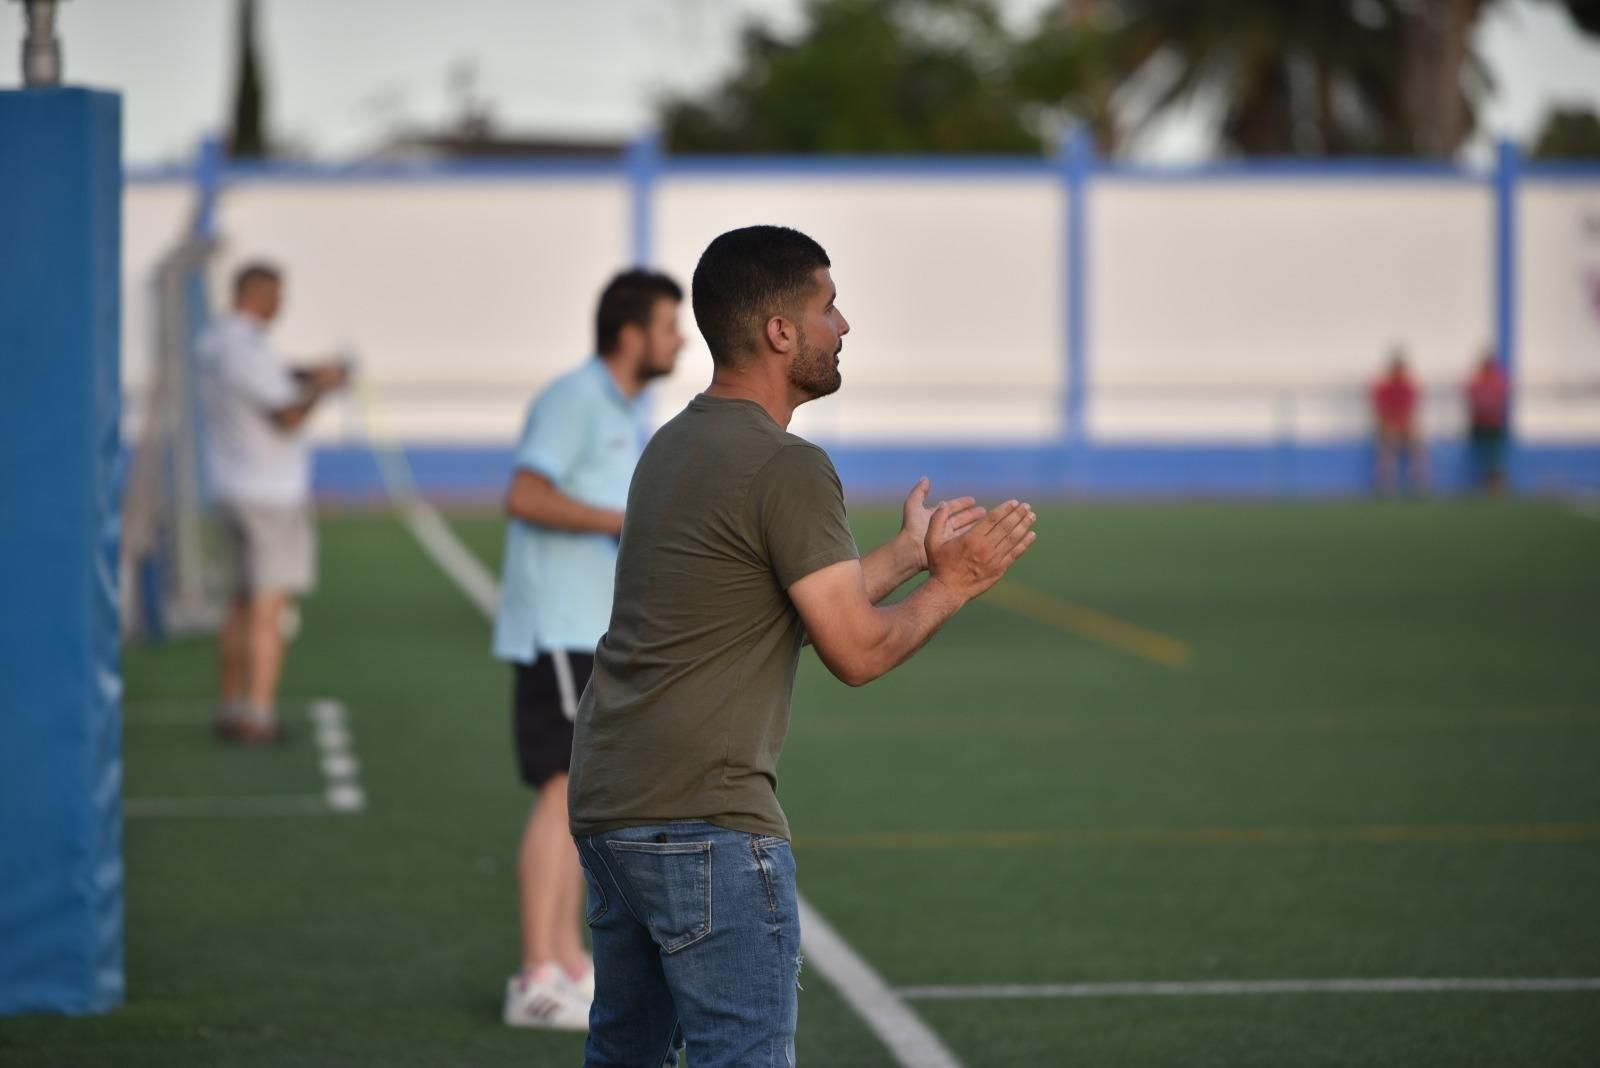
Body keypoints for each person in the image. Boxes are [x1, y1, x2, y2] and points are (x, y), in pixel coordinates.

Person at [567, 225, 1038, 1065]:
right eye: (828, 306)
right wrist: (956, 584)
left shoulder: (675, 443)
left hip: (613, 805)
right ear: (781, 332)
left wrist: (907, 555)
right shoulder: (787, 464)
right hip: (702, 819)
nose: (844, 325)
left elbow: (777, 597)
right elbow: (854, 651)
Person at [493, 269, 685, 1030]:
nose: (680, 341)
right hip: (560, 629)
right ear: (632, 333)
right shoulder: (574, 398)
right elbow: (525, 494)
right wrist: (619, 521)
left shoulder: (627, 407)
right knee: (559, 793)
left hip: (593, 631)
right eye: (671, 326)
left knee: (580, 802)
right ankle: (535, 976)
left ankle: (569, 962)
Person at [198, 262, 348, 744]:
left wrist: (307, 371)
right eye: (277, 295)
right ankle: (258, 715)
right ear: (257, 295)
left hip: (231, 487)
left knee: (239, 605)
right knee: (267, 608)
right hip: (270, 494)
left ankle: (231, 704)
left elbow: (271, 375)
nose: (281, 304)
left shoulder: (215, 341)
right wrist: (322, 387)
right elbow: (287, 414)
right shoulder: (247, 348)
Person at [1370, 349, 1426, 494]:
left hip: (1405, 423)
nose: (1398, 372)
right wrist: (1389, 424)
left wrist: (1405, 424)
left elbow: (1411, 408)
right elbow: (1380, 409)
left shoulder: (1409, 386)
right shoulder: (1383, 386)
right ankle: (1386, 485)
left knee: (1417, 449)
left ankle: (1418, 484)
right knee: (1387, 449)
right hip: (1389, 424)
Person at [1465, 352, 1510, 494]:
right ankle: (1487, 484)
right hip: (1480, 424)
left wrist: (1485, 405)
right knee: (1483, 456)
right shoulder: (1477, 381)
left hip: (1494, 424)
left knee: (1494, 457)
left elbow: (1498, 401)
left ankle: (1496, 486)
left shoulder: (1498, 381)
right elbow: (1472, 398)